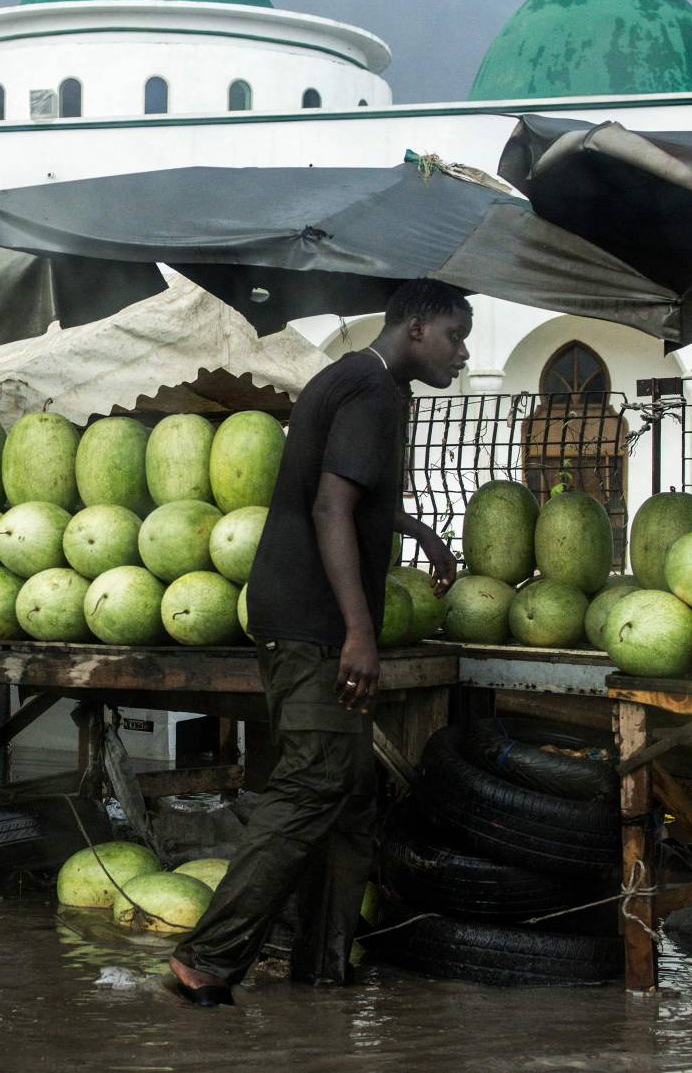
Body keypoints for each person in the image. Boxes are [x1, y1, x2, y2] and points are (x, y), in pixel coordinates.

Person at [169, 278, 470, 1005]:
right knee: (314, 781)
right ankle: (208, 958)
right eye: (457, 336)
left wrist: (415, 530)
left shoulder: (348, 380)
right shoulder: (370, 392)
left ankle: (324, 968)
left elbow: (338, 494)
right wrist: (360, 633)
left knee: (350, 794)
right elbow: (332, 504)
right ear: (417, 328)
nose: (463, 354)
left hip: (294, 611)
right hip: (314, 623)